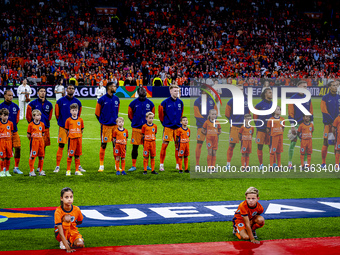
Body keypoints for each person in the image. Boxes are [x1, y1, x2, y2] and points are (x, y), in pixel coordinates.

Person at [54, 84, 83, 173]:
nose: (71, 90)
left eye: (72, 88)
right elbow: (57, 114)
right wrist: (62, 123)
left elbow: (79, 114)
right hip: (63, 127)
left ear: (74, 90)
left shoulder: (78, 102)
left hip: (74, 129)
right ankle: (57, 166)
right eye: (69, 88)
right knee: (61, 145)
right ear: (66, 90)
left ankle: (78, 167)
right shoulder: (60, 101)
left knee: (75, 147)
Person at [287, 80, 314, 169]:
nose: (305, 88)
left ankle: (305, 163)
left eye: (306, 87)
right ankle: (290, 162)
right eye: (303, 87)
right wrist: (292, 125)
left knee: (305, 144)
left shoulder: (308, 98)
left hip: (306, 125)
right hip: (297, 125)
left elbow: (311, 111)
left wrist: (312, 122)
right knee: (292, 143)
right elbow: (290, 113)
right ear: (298, 87)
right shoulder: (293, 98)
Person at [26, 87, 53, 172]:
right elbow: (28, 116)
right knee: (33, 148)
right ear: (38, 93)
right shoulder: (32, 103)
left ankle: (39, 168)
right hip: (35, 129)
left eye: (44, 91)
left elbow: (50, 117)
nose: (43, 93)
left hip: (45, 129)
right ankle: (32, 169)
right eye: (41, 91)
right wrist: (33, 125)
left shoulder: (49, 104)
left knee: (43, 148)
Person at [128, 87, 155, 171]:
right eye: (141, 94)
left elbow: (152, 115)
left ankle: (146, 165)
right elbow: (130, 115)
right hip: (136, 128)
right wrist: (136, 122)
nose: (143, 95)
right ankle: (133, 165)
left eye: (144, 93)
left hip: (147, 129)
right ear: (138, 94)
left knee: (146, 147)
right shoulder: (133, 104)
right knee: (135, 147)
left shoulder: (150, 103)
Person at [95, 82, 120, 172]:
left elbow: (117, 112)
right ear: (109, 87)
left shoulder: (117, 99)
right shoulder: (102, 99)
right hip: (105, 126)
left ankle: (116, 165)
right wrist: (103, 122)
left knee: (115, 145)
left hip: (115, 126)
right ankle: (101, 165)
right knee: (103, 145)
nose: (115, 87)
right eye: (114, 86)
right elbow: (97, 113)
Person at [158, 85, 184, 171]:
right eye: (175, 91)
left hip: (177, 128)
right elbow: (161, 115)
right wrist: (165, 123)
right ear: (170, 92)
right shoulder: (164, 102)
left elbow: (181, 114)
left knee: (178, 146)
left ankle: (177, 164)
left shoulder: (180, 102)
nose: (176, 93)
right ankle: (161, 164)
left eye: (177, 91)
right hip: (168, 127)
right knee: (164, 146)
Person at [225, 83, 250, 168]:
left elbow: (248, 113)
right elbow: (227, 114)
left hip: (244, 127)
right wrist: (233, 121)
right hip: (235, 127)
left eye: (242, 89)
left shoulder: (247, 100)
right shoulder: (231, 101)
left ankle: (245, 165)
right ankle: (228, 164)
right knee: (231, 145)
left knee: (245, 146)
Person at [54, 187, 84, 252]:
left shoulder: (77, 209)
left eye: (71, 197)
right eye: (66, 197)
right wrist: (68, 248)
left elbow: (80, 221)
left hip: (73, 232)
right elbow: (60, 230)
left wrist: (72, 224)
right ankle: (63, 241)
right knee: (67, 217)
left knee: (80, 244)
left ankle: (71, 241)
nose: (69, 199)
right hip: (61, 232)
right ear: (61, 198)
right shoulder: (58, 211)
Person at [0, 90, 23, 174]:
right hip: (3, 132)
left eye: (12, 95)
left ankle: (16, 167)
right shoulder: (0, 106)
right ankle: (4, 169)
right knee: (5, 151)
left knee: (18, 148)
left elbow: (16, 120)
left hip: (13, 131)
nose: (11, 97)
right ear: (5, 95)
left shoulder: (16, 106)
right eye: (9, 95)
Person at [193, 88, 217, 168]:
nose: (209, 91)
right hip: (201, 127)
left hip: (211, 128)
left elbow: (215, 112)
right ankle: (197, 164)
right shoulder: (197, 101)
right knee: (199, 144)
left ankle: (211, 166)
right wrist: (206, 123)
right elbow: (197, 114)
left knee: (212, 147)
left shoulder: (211, 100)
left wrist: (212, 122)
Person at [320, 81, 340, 167]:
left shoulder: (339, 97)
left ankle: (337, 163)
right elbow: (324, 111)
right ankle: (323, 162)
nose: (335, 87)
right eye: (333, 85)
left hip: (338, 125)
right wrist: (332, 120)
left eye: (336, 85)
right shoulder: (325, 98)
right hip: (328, 124)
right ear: (329, 87)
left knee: (337, 143)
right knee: (326, 142)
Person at [254, 88, 274, 169]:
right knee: (260, 147)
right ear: (265, 94)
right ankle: (261, 164)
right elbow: (255, 117)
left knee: (271, 147)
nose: (271, 94)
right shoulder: (259, 105)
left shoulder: (273, 105)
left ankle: (272, 164)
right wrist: (259, 126)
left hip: (270, 130)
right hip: (261, 130)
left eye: (271, 92)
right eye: (269, 92)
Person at [65, 104, 84, 176]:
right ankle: (68, 170)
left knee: (77, 155)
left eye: (76, 110)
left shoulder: (80, 120)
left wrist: (77, 134)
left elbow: (82, 129)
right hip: (72, 140)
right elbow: (66, 130)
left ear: (78, 111)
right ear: (70, 111)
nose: (74, 112)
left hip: (79, 139)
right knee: (70, 155)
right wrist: (72, 135)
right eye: (73, 110)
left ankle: (77, 170)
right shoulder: (68, 120)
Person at [27, 110, 46, 176]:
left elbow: (43, 133)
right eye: (37, 115)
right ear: (33, 116)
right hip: (34, 142)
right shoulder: (31, 125)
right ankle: (31, 171)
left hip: (41, 142)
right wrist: (33, 140)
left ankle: (41, 170)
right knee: (32, 156)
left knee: (41, 156)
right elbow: (28, 135)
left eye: (40, 115)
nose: (39, 117)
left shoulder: (42, 124)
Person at [0, 108, 14, 177]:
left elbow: (11, 133)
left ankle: (7, 171)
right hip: (2, 142)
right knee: (2, 157)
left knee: (8, 157)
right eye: (4, 115)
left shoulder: (10, 123)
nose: (5, 117)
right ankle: (2, 171)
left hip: (8, 142)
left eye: (7, 115)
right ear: (0, 116)